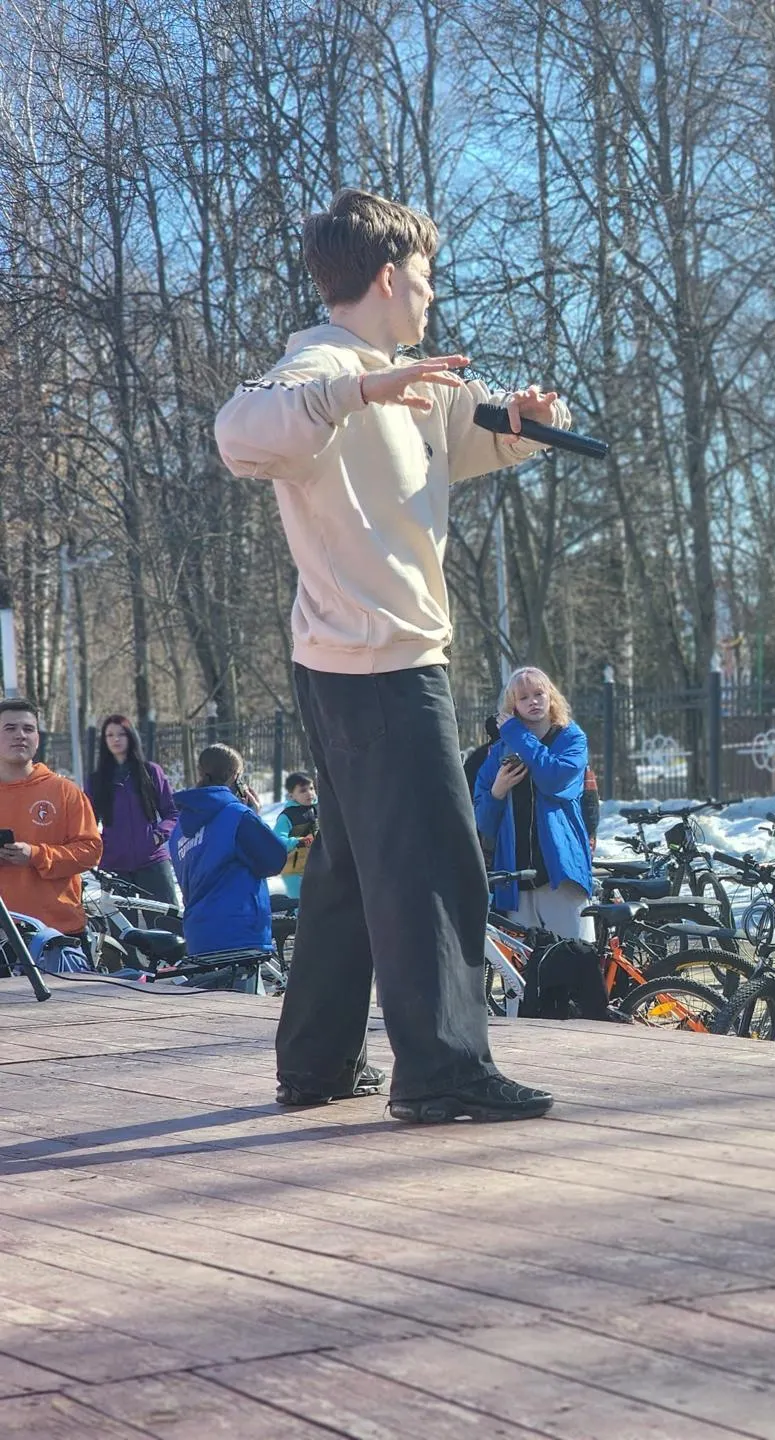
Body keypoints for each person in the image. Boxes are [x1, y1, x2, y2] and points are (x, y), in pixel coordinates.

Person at [214, 187, 568, 1122]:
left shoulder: (411, 377)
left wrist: (520, 420)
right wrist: (356, 391)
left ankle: (318, 1063)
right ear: (384, 277)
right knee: (436, 860)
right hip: (374, 665)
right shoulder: (318, 367)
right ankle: (443, 1069)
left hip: (368, 659)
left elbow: (462, 440)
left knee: (353, 864)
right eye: (424, 277)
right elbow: (238, 435)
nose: (431, 294)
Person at [473, 667, 596, 939]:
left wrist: (517, 733)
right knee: (525, 973)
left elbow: (554, 780)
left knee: (574, 960)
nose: (533, 701)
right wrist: (498, 791)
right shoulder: (500, 751)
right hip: (515, 881)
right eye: (524, 697)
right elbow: (483, 821)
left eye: (539, 693)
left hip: (560, 875)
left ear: (551, 696)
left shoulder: (571, 738)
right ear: (513, 705)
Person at [170, 745, 293, 973]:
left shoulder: (179, 830)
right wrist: (255, 818)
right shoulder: (238, 816)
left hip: (198, 935)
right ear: (236, 777)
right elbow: (274, 859)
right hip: (239, 930)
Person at [0, 698, 103, 943]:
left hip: (55, 932)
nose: (20, 736)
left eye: (28, 729)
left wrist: (36, 855)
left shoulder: (64, 791)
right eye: (10, 728)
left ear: (38, 737)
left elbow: (90, 851)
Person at [88, 714, 181, 911]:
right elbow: (87, 823)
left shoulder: (151, 772)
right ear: (104, 741)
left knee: (166, 924)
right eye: (110, 735)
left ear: (131, 736)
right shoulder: (97, 780)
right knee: (123, 934)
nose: (116, 739)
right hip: (114, 865)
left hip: (152, 860)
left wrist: (158, 835)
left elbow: (172, 813)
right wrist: (101, 846)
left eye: (121, 734)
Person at [272, 773, 318, 903]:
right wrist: (298, 841)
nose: (309, 793)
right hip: (294, 868)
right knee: (299, 902)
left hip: (315, 864)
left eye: (311, 788)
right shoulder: (287, 816)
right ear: (291, 795)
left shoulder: (319, 809)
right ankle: (294, 919)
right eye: (303, 791)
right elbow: (278, 840)